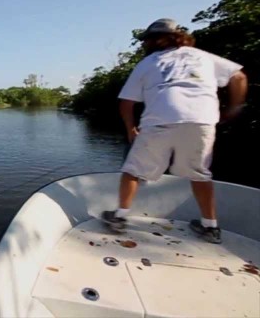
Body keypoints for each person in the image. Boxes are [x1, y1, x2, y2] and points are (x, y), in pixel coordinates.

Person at [102, 18, 248, 244]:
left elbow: (126, 103)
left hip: (159, 120)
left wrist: (131, 129)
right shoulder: (202, 56)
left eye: (147, 40)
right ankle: (210, 227)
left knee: (133, 170)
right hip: (201, 121)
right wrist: (234, 108)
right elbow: (238, 77)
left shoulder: (148, 62)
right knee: (199, 173)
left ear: (153, 41)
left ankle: (119, 217)